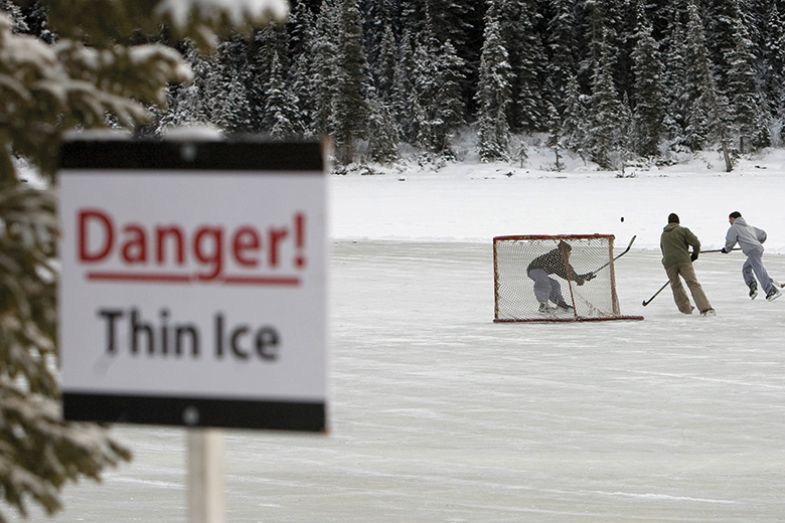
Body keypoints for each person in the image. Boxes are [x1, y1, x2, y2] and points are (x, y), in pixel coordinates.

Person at [660, 213, 715, 316]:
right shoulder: (682, 230)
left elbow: (663, 250)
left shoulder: (663, 235)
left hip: (669, 263)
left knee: (675, 285)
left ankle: (685, 309)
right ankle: (705, 308)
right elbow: (696, 243)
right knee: (692, 283)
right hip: (683, 261)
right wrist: (695, 254)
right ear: (678, 221)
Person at [721, 211, 781, 301]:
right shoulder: (749, 227)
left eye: (730, 220)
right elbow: (762, 235)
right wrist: (754, 241)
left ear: (733, 218)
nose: (729, 222)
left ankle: (771, 290)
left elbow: (730, 240)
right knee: (746, 268)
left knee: (759, 270)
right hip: (757, 249)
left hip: (753, 250)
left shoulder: (734, 228)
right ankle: (753, 286)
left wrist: (726, 249)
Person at [527, 240, 596, 312]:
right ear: (563, 252)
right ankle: (543, 305)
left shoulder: (560, 258)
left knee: (555, 284)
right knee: (544, 282)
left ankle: (560, 303)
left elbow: (567, 273)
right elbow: (567, 272)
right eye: (569, 252)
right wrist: (578, 279)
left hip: (542, 272)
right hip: (534, 270)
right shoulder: (556, 258)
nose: (570, 254)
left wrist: (583, 277)